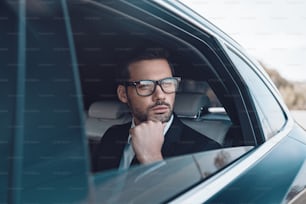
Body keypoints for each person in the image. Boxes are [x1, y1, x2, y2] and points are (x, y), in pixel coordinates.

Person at [91, 48, 221, 173]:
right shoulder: (112, 136)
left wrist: (152, 158)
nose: (160, 95)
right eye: (145, 86)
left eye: (167, 83)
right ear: (123, 94)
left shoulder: (205, 152)